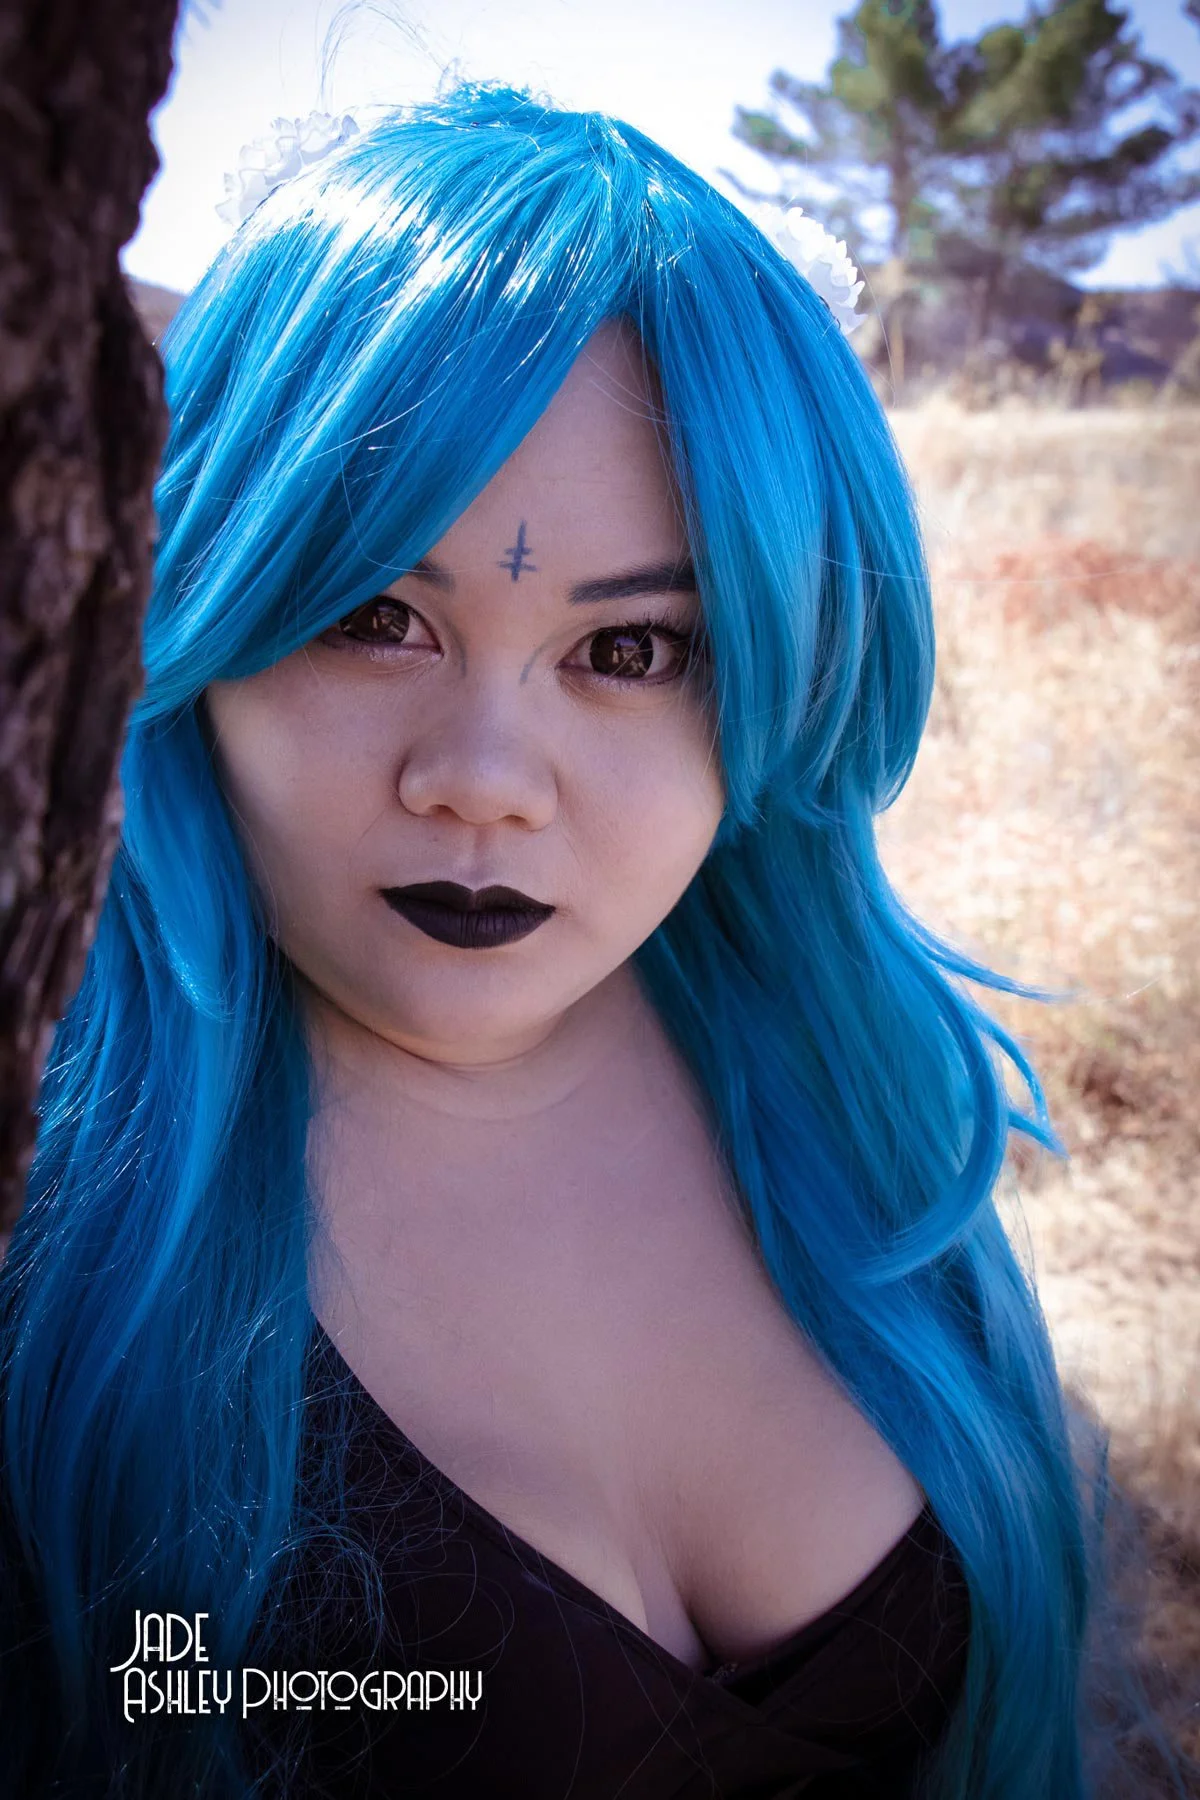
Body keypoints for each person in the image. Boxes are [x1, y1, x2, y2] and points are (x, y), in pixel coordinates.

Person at [0, 78, 1156, 1800]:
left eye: (630, 654)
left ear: (770, 675)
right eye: (372, 616)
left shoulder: (860, 1110)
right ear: (203, 607)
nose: (481, 783)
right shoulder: (43, 1214)